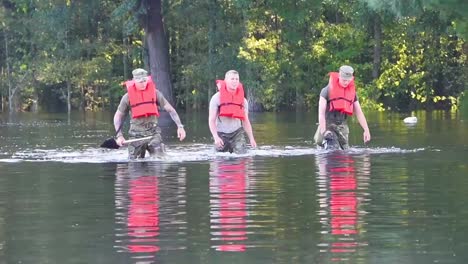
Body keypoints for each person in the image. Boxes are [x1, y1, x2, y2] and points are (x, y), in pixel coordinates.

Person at [114, 68, 186, 159]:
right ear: (134, 81)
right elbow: (118, 117)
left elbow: (171, 110)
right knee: (135, 164)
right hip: (136, 135)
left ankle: (160, 154)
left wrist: (180, 127)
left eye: (145, 81)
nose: (143, 83)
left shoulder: (156, 93)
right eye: (140, 82)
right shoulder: (127, 97)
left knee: (159, 160)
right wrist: (119, 136)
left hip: (153, 133)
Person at [314, 65, 371, 149]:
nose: (346, 82)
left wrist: (366, 130)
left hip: (342, 125)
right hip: (327, 124)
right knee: (327, 147)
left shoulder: (352, 93)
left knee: (345, 151)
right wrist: (324, 131)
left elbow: (359, 113)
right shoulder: (326, 91)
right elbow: (321, 114)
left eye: (348, 80)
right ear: (339, 76)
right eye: (344, 80)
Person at [208, 70, 257, 154]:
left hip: (237, 133)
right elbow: (211, 120)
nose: (235, 81)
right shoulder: (216, 98)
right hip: (221, 133)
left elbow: (246, 121)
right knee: (218, 159)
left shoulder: (243, 101)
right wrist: (216, 137)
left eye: (237, 79)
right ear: (226, 80)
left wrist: (251, 138)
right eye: (232, 79)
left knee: (242, 156)